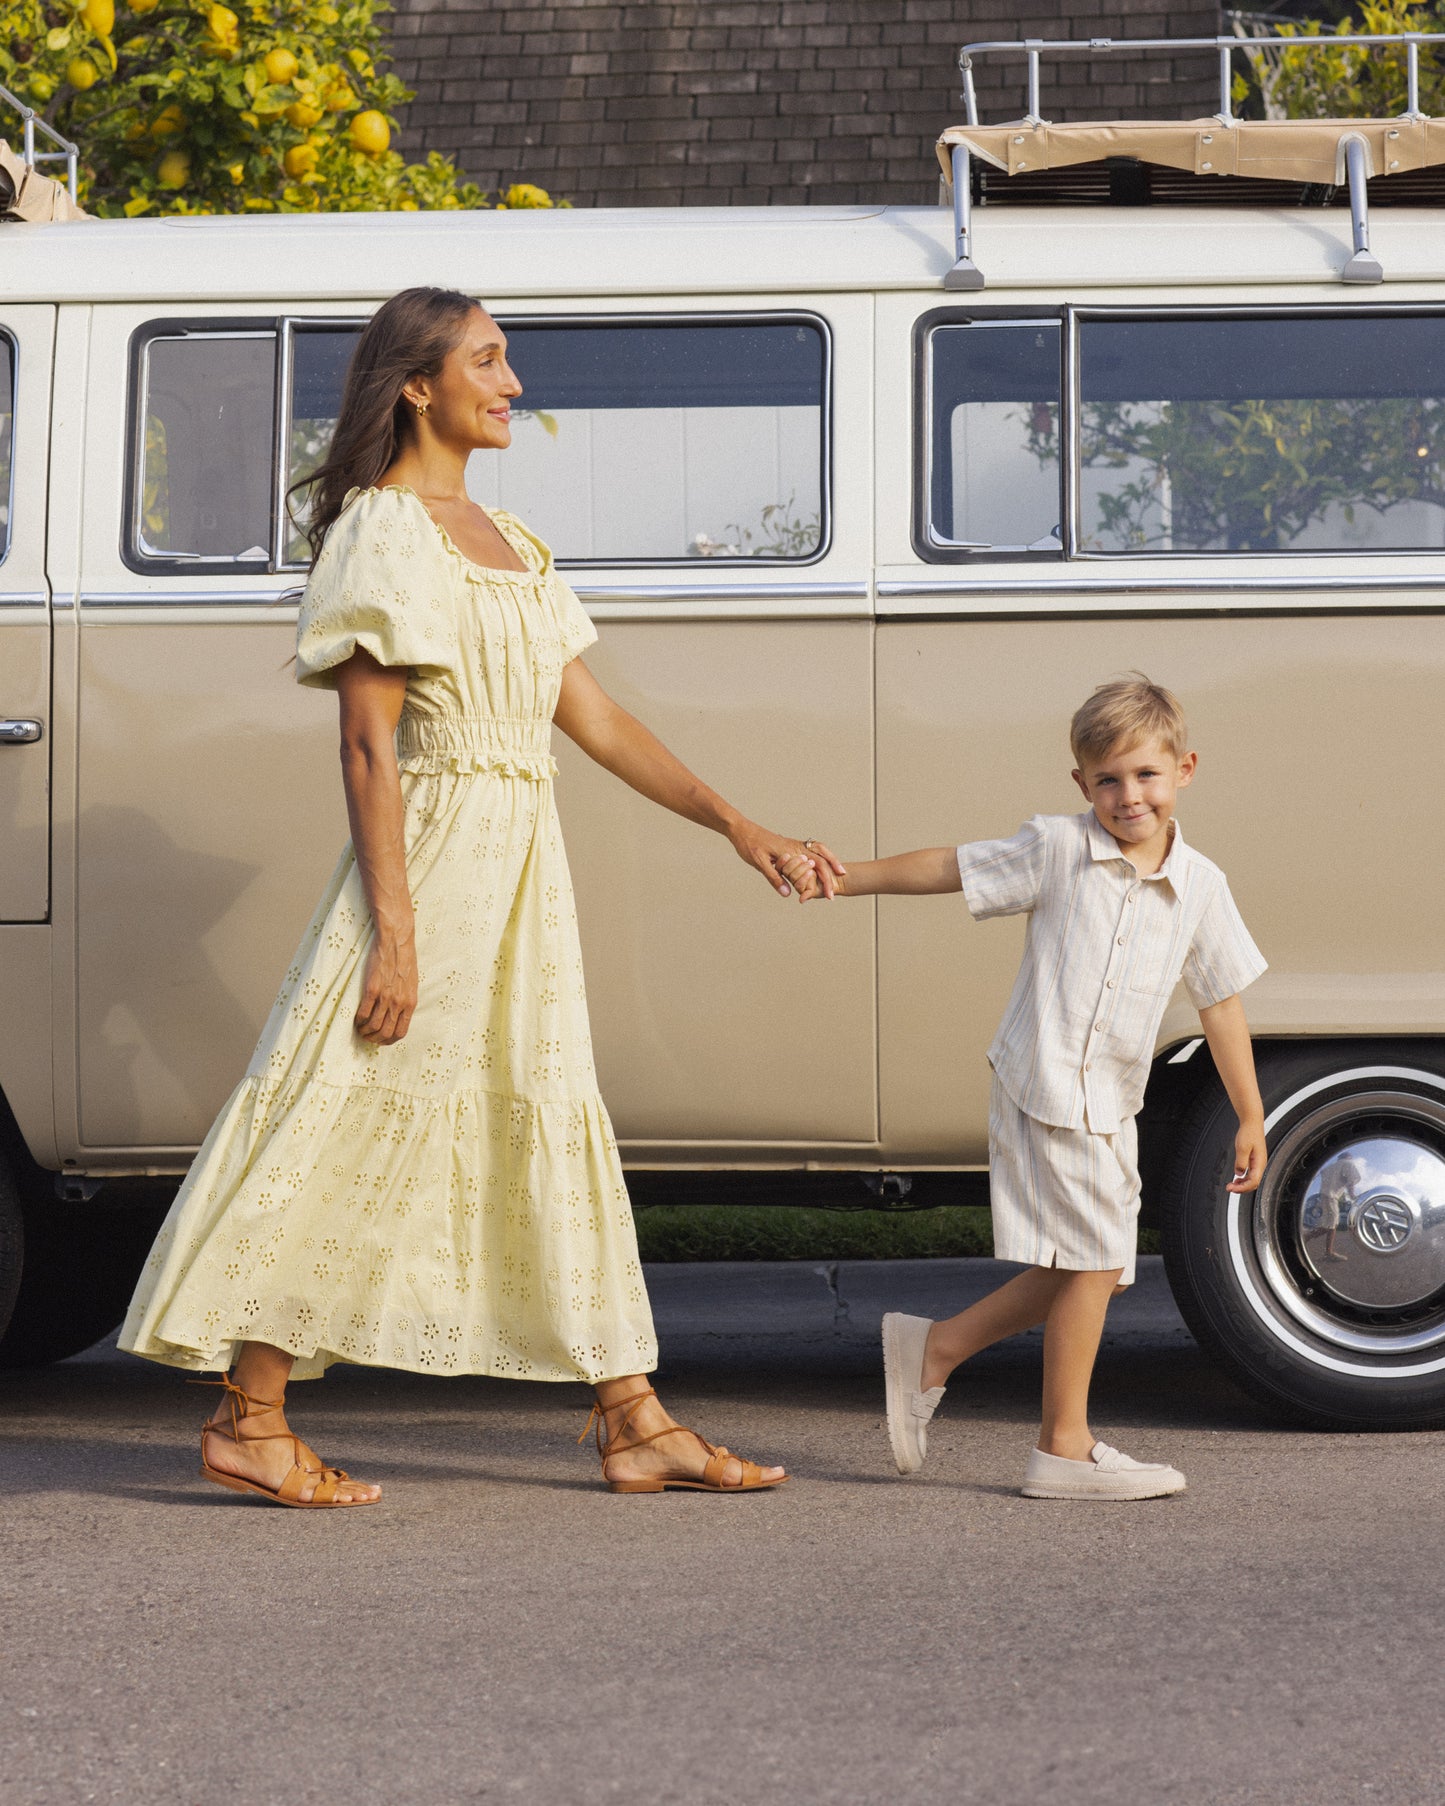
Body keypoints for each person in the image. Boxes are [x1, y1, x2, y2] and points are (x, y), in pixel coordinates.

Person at [120, 286, 841, 1507]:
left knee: (551, 1115)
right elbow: (365, 746)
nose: (513, 384)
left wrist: (739, 826)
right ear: (418, 384)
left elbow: (592, 720)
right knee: (351, 1113)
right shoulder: (382, 533)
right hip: (433, 862)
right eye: (489, 362)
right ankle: (249, 1416)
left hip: (521, 869)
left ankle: (633, 1419)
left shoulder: (508, 541)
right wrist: (393, 932)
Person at [782, 675, 1267, 1501]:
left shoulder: (1202, 887)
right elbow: (950, 866)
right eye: (1107, 779)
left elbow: (1219, 1001)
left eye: (1145, 775)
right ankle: (1061, 1449)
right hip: (1042, 1081)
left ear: (1183, 769)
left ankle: (934, 1349)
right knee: (1092, 1259)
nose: (1127, 796)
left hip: (1111, 1099)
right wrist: (846, 877)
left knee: (1097, 1266)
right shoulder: (1056, 848)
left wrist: (1250, 1111)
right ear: (1080, 784)